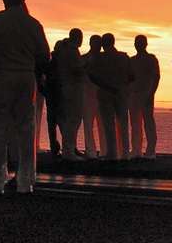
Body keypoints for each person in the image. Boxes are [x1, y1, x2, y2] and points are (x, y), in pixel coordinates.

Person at [0, 0, 50, 195]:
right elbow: (44, 55)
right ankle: (26, 181)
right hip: (26, 76)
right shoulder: (33, 23)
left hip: (1, 74)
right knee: (26, 128)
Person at [87, 33, 132, 161]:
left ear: (103, 44)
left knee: (108, 124)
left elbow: (92, 75)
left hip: (105, 91)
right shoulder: (124, 57)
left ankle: (112, 154)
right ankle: (125, 154)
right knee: (123, 123)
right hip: (122, 90)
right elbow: (132, 76)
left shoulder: (99, 58)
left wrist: (106, 85)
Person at [129, 35, 160, 160]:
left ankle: (151, 150)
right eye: (136, 42)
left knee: (148, 123)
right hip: (133, 94)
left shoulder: (151, 59)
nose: (138, 45)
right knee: (135, 123)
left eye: (140, 42)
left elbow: (156, 77)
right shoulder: (132, 60)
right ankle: (136, 149)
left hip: (145, 92)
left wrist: (152, 93)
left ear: (145, 44)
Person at [56, 29, 86, 161]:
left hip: (67, 87)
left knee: (70, 120)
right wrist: (87, 67)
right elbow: (75, 70)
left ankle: (69, 149)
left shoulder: (64, 51)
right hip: (73, 87)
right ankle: (69, 151)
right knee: (73, 121)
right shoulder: (72, 51)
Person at [82, 35, 104, 159]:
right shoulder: (84, 59)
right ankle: (90, 151)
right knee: (88, 123)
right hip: (88, 93)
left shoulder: (103, 60)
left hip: (101, 92)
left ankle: (104, 150)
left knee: (103, 124)